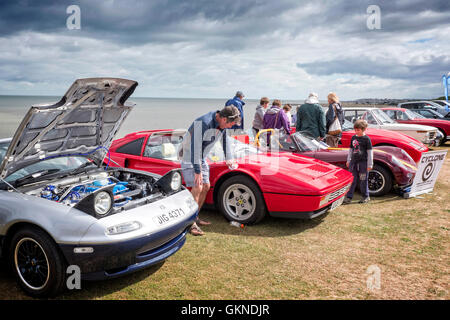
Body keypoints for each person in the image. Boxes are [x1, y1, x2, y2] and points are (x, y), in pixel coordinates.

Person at [180, 106, 240, 235]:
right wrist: (197, 170)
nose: (230, 127)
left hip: (201, 156)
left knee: (206, 186)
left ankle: (195, 216)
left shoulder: (221, 124)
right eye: (230, 124)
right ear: (224, 119)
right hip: (189, 155)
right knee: (198, 186)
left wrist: (229, 158)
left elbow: (225, 140)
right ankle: (190, 224)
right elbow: (194, 148)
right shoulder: (203, 123)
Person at [343, 119, 373, 204]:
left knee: (363, 179)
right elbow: (351, 150)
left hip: (363, 163)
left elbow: (370, 152)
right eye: (355, 130)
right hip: (353, 163)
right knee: (352, 179)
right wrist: (348, 160)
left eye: (358, 130)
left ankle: (365, 196)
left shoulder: (367, 139)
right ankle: (348, 197)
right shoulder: (353, 137)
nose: (356, 131)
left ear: (363, 129)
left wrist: (370, 164)